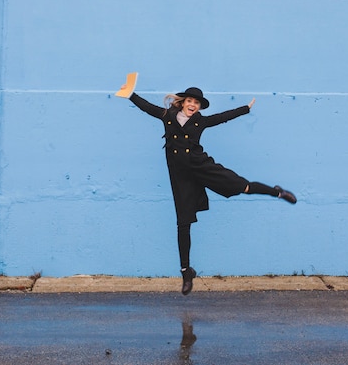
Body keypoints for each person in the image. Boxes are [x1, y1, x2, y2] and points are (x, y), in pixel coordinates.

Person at [117, 84, 296, 295]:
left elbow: (222, 117)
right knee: (183, 222)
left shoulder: (200, 121)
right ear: (183, 102)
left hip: (202, 166)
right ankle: (186, 272)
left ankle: (276, 192)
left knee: (243, 186)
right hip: (180, 175)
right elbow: (146, 107)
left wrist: (245, 109)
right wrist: (130, 94)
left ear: (199, 107)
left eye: (197, 103)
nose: (193, 105)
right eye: (190, 101)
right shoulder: (167, 115)